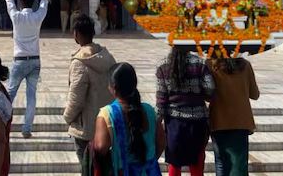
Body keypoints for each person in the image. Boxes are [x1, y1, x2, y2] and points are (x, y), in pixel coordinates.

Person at [94, 62, 165, 175]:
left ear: (114, 88)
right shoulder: (149, 111)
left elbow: (101, 148)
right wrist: (149, 161)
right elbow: (161, 141)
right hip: (150, 171)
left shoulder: (107, 114)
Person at [63, 15, 116, 163]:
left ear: (76, 34)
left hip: (86, 128)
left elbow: (76, 99)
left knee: (88, 168)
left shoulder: (80, 62)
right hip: (106, 124)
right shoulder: (107, 57)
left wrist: (67, 117)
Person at [156, 47, 215, 176]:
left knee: (174, 164)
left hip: (174, 124)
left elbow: (161, 99)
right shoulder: (200, 63)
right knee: (197, 163)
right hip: (198, 122)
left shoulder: (163, 66)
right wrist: (198, 94)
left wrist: (156, 122)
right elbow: (210, 89)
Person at [5, 0, 49, 139]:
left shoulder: (16, 16)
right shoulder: (38, 16)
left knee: (10, 95)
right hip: (35, 61)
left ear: (21, 3)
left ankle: (3, 124)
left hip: (19, 61)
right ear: (32, 2)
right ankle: (27, 128)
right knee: (31, 96)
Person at [207, 56, 260, 176]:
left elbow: (207, 94)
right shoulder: (245, 65)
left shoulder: (211, 65)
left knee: (221, 163)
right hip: (241, 121)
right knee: (239, 164)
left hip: (218, 120)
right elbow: (255, 94)